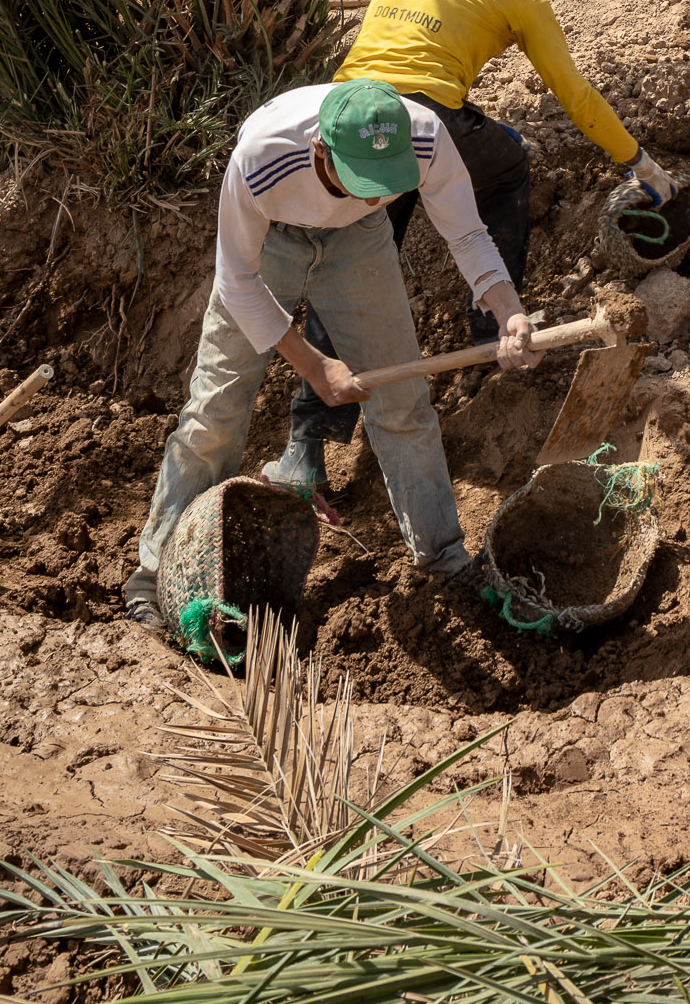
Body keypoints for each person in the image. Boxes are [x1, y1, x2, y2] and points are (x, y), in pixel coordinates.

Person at [268, 0, 672, 495]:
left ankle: (307, 449)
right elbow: (576, 96)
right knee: (507, 164)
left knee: (359, 250)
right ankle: (494, 325)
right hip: (422, 119)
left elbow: (394, 55)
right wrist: (639, 161)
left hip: (344, 115)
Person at [125, 77, 537, 632]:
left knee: (403, 404)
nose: (377, 193)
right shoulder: (263, 156)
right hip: (272, 241)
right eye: (363, 179)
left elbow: (467, 235)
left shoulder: (423, 137)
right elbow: (238, 279)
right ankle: (152, 573)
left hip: (359, 239)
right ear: (321, 150)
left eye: (384, 182)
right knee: (216, 410)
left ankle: (444, 560)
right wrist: (314, 365)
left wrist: (508, 309)